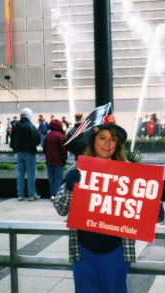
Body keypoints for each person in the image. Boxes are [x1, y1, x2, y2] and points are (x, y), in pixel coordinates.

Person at [54, 114, 135, 293]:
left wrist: (154, 211)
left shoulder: (129, 172)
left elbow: (142, 207)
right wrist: (68, 187)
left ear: (118, 144)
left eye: (113, 139)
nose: (108, 143)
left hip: (117, 252)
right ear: (92, 140)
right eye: (102, 138)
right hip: (84, 253)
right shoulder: (78, 170)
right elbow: (60, 208)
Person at [10, 108, 41, 201]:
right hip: (29, 152)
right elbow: (37, 140)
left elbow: (12, 140)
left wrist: (15, 149)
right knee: (31, 173)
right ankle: (32, 194)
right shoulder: (30, 126)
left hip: (19, 152)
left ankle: (20, 194)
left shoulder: (15, 126)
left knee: (20, 173)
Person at [43, 119, 67, 200]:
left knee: (51, 178)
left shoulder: (47, 135)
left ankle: (52, 194)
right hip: (58, 160)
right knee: (58, 178)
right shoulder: (60, 135)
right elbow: (63, 150)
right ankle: (56, 195)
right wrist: (64, 159)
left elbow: (44, 148)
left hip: (49, 161)